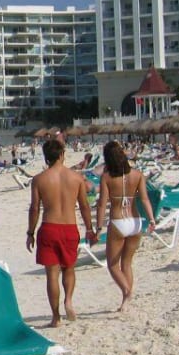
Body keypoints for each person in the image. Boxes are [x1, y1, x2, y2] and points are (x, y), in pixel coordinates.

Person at [26, 138, 95, 327]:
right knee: (69, 268)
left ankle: (56, 318)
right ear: (62, 155)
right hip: (70, 228)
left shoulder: (39, 179)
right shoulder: (76, 178)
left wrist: (30, 233)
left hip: (49, 227)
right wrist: (89, 228)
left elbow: (34, 209)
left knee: (52, 274)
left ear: (46, 157)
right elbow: (84, 206)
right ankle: (69, 300)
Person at [95, 141, 155, 313]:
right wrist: (151, 219)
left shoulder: (106, 177)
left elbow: (102, 204)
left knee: (112, 265)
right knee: (126, 264)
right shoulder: (137, 175)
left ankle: (127, 291)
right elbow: (144, 199)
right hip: (135, 221)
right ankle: (125, 302)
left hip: (118, 221)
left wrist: (98, 228)